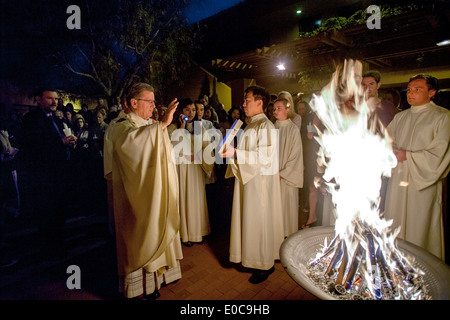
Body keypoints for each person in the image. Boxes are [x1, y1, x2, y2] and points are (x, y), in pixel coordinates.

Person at [110, 82, 181, 299]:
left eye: (153, 101)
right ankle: (142, 286)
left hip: (154, 188)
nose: (153, 106)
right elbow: (130, 146)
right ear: (133, 102)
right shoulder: (121, 125)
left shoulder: (148, 124)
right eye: (149, 101)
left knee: (157, 223)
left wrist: (158, 127)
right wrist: (160, 126)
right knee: (142, 232)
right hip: (136, 193)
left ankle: (160, 276)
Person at [220, 85, 284, 284]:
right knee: (248, 219)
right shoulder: (251, 124)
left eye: (247, 100)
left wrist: (236, 153)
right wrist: (232, 152)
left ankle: (265, 264)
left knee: (259, 221)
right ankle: (247, 256)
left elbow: (264, 157)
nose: (244, 104)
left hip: (260, 184)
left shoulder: (266, 126)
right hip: (249, 181)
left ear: (260, 102)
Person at [384, 74, 450, 261]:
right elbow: (387, 140)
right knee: (395, 221)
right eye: (410, 90)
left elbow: (440, 153)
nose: (411, 93)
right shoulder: (401, 117)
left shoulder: (443, 117)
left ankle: (423, 267)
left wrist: (408, 156)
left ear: (432, 92)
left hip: (422, 182)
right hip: (398, 179)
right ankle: (394, 263)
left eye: (417, 89)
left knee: (419, 224)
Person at [17, 87, 77, 260]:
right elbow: (34, 146)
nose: (54, 102)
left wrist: (70, 143)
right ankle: (48, 249)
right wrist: (60, 142)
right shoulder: (31, 119)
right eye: (50, 98)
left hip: (59, 175)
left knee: (59, 212)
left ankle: (58, 243)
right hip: (43, 177)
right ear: (38, 99)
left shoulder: (57, 120)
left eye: (56, 99)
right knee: (46, 213)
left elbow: (61, 142)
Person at [169, 98, 213, 247]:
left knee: (196, 199)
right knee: (184, 198)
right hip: (182, 169)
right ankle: (185, 234)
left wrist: (201, 156)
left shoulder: (200, 128)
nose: (191, 113)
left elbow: (208, 148)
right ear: (180, 111)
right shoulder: (173, 127)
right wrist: (181, 127)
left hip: (196, 168)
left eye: (193, 110)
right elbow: (171, 148)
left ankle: (197, 231)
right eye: (187, 109)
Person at [273, 98, 304, 237]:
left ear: (287, 109)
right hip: (272, 173)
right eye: (274, 108)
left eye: (279, 108)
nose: (275, 111)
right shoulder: (272, 127)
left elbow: (296, 154)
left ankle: (287, 236)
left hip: (286, 176)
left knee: (287, 205)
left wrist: (283, 173)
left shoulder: (293, 129)